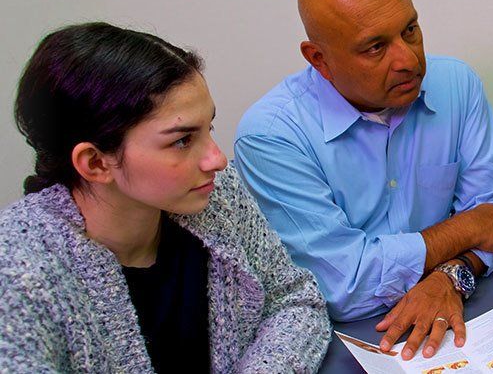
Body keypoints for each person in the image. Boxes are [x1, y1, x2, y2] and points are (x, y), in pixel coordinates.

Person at [235, 0, 493, 360]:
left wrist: (449, 276)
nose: (408, 60)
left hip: (459, 316)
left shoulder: (457, 84)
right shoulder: (272, 136)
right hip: (345, 343)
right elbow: (343, 287)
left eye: (410, 30)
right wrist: (467, 229)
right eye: (375, 47)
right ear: (319, 59)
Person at [0, 23, 331, 372]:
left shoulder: (216, 195)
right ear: (95, 162)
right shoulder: (19, 270)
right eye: (183, 141)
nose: (217, 160)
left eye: (209, 128)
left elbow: (293, 299)